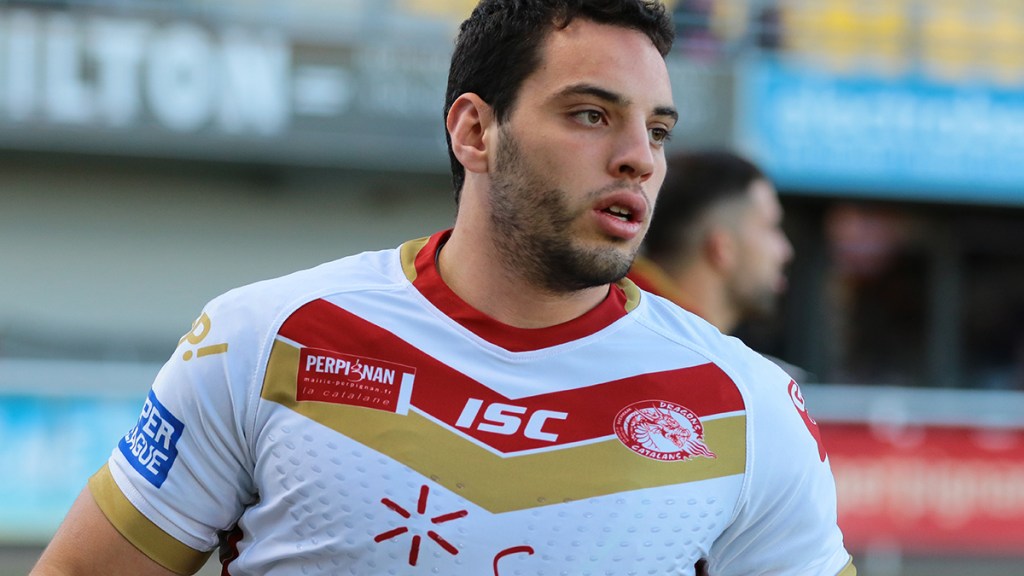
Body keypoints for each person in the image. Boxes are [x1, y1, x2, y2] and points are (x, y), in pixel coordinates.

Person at [32, 1, 854, 575]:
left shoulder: (746, 405)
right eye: (591, 115)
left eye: (658, 129)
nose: (639, 157)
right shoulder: (264, 336)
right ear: (474, 131)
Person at [629, 149, 794, 336]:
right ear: (723, 248)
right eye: (771, 227)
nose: (786, 251)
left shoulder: (628, 318)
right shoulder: (669, 342)